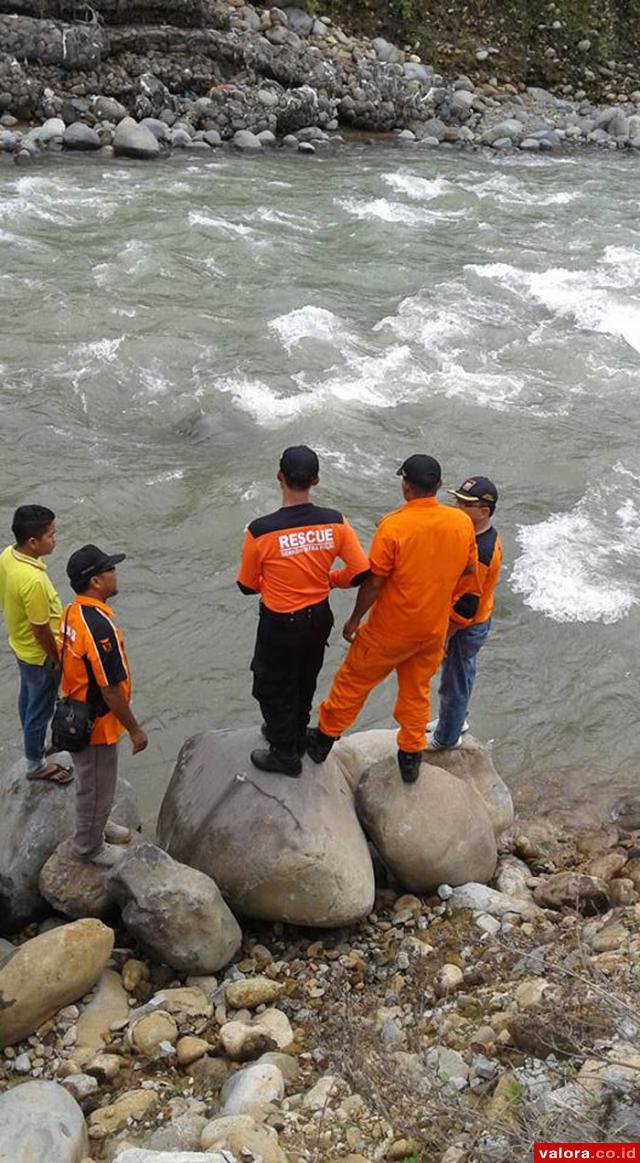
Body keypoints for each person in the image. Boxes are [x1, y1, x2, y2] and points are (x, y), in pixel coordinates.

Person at [306, 455, 480, 784]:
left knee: (353, 681)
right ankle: (410, 756)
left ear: (405, 486)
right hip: (432, 629)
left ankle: (323, 739)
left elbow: (374, 580)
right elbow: (469, 570)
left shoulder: (394, 526)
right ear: (440, 487)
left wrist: (354, 619)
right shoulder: (460, 523)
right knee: (416, 691)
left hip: (391, 629)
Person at [237, 445, 370, 777]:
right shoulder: (336, 522)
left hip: (280, 622)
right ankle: (295, 734)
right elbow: (360, 572)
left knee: (270, 684)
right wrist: (330, 580)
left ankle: (284, 754)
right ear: (316, 480)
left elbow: (247, 584)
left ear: (279, 477)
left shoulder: (260, 530)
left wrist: (273, 582)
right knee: (304, 677)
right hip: (317, 618)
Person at [60, 545, 148, 866]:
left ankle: (99, 825)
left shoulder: (71, 612)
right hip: (95, 723)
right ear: (96, 581)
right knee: (96, 784)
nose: (115, 573)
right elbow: (110, 689)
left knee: (95, 781)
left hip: (74, 710)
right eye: (110, 569)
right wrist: (135, 730)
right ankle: (89, 846)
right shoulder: (99, 628)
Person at [428, 475, 502, 750]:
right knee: (463, 673)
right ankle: (455, 721)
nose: (457, 506)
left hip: (466, 625)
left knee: (454, 680)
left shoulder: (481, 552)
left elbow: (466, 606)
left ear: (483, 512)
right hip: (478, 619)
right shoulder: (479, 535)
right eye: (457, 500)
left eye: (465, 504)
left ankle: (446, 737)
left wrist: (445, 636)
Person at [0, 504, 70, 783]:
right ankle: (35, 764)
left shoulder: (8, 555)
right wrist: (56, 658)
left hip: (20, 645)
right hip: (39, 654)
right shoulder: (34, 582)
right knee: (41, 708)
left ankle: (33, 746)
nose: (55, 539)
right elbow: (41, 629)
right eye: (51, 535)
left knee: (29, 699)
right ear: (32, 541)